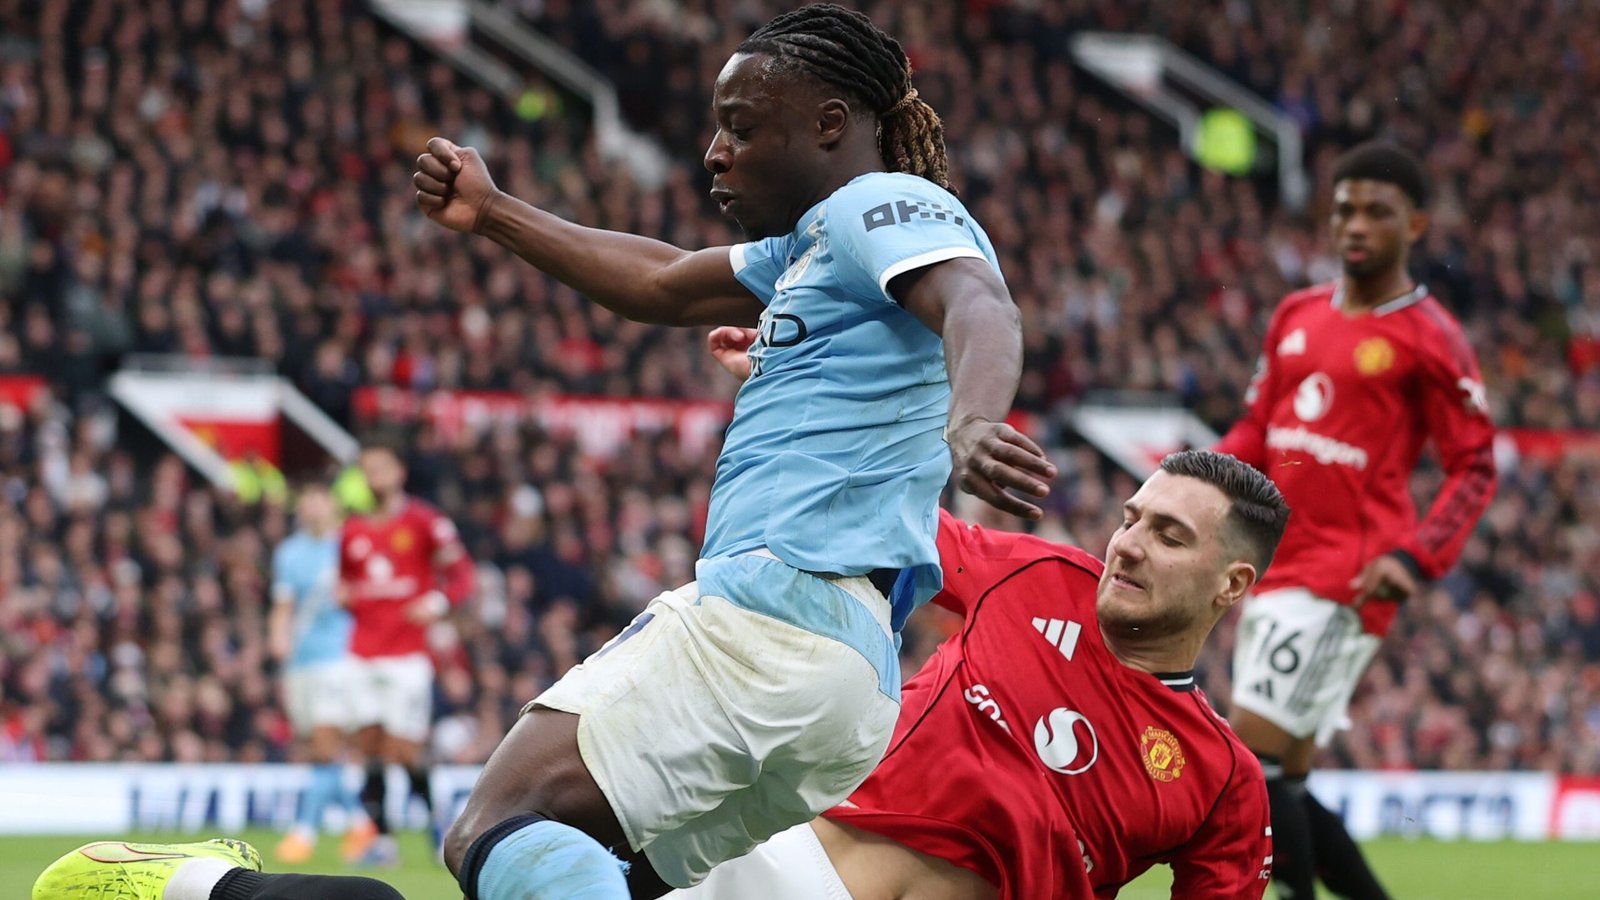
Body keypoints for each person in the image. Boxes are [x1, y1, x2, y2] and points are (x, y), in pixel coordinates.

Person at [30, 6, 1051, 900]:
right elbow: (660, 283)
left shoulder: (884, 207)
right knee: (591, 873)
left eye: (741, 126)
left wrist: (975, 421)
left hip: (769, 619)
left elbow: (975, 301)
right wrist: (497, 214)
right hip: (845, 681)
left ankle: (210, 888)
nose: (713, 152)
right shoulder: (812, 251)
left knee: (495, 832)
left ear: (831, 124)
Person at [1214, 141, 1497, 900]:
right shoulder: (1296, 314)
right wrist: (1197, 481)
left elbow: (1475, 463)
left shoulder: (1430, 336)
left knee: (1249, 764)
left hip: (1347, 575)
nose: (1356, 224)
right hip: (1273, 566)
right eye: (1345, 209)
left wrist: (1417, 556)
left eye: (1378, 211)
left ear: (1416, 225)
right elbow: (1256, 431)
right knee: (1287, 780)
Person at [338, 442, 476, 867]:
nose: (373, 477)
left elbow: (462, 574)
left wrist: (436, 603)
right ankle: (383, 841)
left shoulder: (424, 521)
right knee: (371, 749)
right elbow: (347, 584)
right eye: (367, 471)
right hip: (362, 651)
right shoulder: (354, 530)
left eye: (380, 467)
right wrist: (344, 596)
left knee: (405, 750)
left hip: (407, 653)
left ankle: (441, 830)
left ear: (398, 470)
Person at [265, 481, 360, 865]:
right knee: (318, 749)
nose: (313, 507)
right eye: (307, 500)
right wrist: (277, 637)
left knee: (324, 744)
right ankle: (361, 823)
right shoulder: (289, 553)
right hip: (300, 661)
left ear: (332, 504)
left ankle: (303, 831)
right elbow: (284, 603)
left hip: (338, 657)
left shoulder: (350, 545)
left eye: (319, 499)